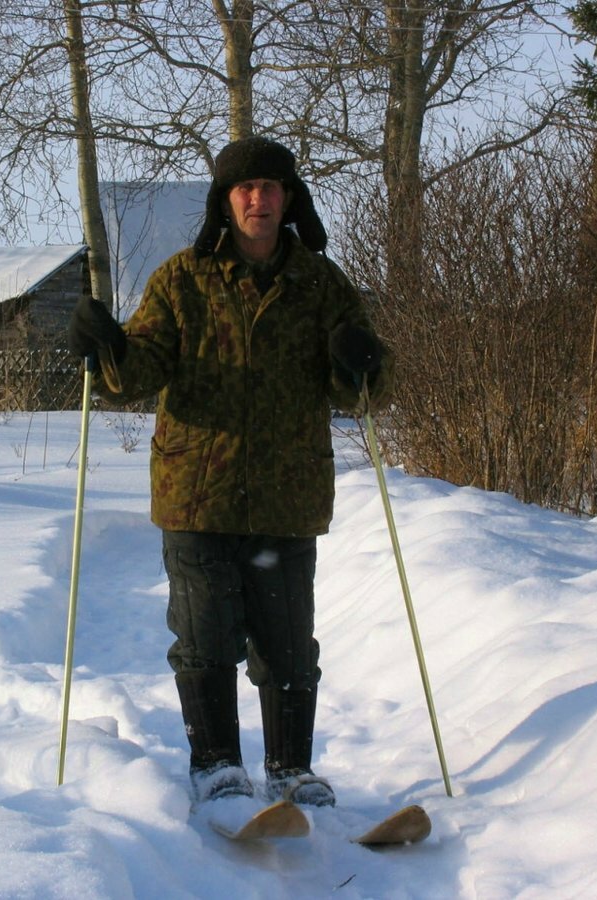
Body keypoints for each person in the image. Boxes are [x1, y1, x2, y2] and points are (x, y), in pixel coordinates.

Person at [67, 136, 391, 808]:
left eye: (271, 187)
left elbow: (361, 389)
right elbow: (141, 369)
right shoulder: (181, 280)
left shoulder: (322, 286)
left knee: (288, 646)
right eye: (245, 188)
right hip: (198, 494)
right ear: (224, 201)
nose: (258, 199)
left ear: (290, 199)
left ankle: (290, 770)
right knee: (205, 637)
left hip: (286, 493)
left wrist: (364, 363)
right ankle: (215, 765)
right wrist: (109, 348)